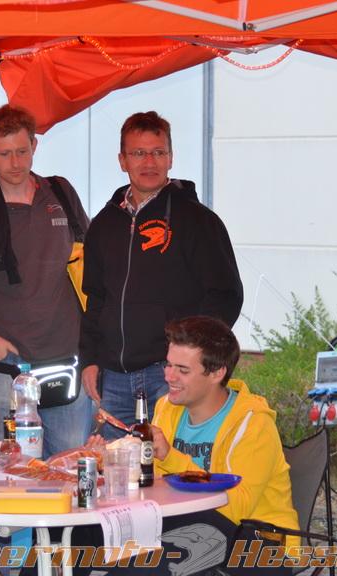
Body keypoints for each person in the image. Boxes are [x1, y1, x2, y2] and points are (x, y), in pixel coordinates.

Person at [15, 316, 298, 576]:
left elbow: (235, 509)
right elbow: (151, 483)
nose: (169, 376)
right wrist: (113, 462)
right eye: (169, 365)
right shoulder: (168, 407)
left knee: (186, 536)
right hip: (187, 525)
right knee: (82, 521)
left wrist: (170, 457)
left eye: (183, 370)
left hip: (260, 546)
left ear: (216, 373)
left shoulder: (253, 424)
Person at [79, 111, 243, 439]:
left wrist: (191, 357)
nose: (149, 162)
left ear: (171, 158)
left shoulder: (198, 221)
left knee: (174, 464)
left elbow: (226, 295)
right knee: (116, 467)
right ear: (122, 160)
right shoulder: (103, 225)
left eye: (158, 152)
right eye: (139, 153)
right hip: (113, 380)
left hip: (170, 377)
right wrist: (90, 359)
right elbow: (94, 298)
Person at [0, 104, 92, 457]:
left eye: (22, 151)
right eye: (4, 153)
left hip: (66, 361)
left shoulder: (59, 192)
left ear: (35, 146)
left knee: (69, 471)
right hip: (3, 366)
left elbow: (90, 266)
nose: (15, 162)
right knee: (0, 473)